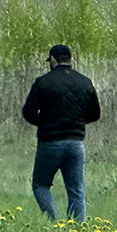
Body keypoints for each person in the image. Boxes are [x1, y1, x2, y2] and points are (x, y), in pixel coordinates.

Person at [22, 44, 100, 221]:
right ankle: (77, 230)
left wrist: (45, 123)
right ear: (71, 59)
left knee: (40, 185)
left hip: (50, 142)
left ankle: (54, 224)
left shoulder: (43, 82)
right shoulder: (85, 82)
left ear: (53, 60)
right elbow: (95, 114)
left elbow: (28, 113)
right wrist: (76, 122)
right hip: (76, 142)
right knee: (76, 190)